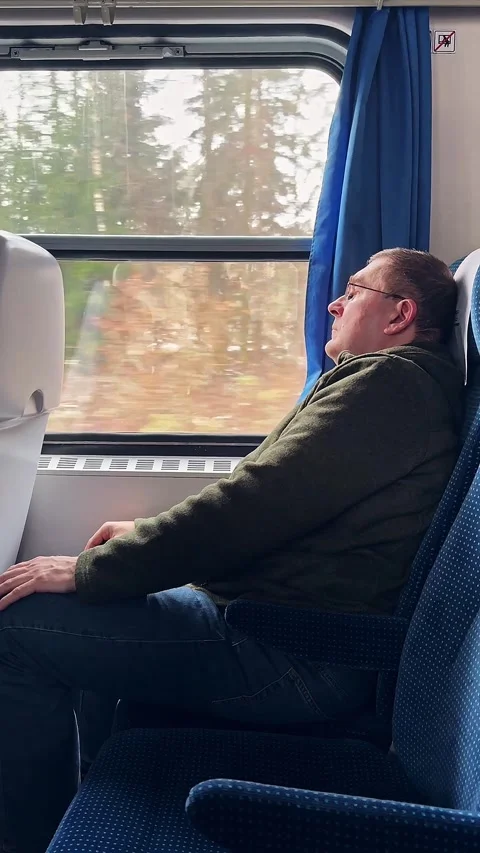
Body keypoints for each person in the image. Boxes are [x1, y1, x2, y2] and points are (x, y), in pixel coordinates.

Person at [0, 248, 463, 853]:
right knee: (88, 606)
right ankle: (78, 796)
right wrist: (138, 540)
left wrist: (94, 570)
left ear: (400, 314)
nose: (334, 301)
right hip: (276, 625)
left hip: (292, 652)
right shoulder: (389, 387)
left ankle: (29, 838)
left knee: (18, 629)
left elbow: (253, 506)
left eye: (354, 289)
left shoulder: (393, 386)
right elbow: (265, 502)